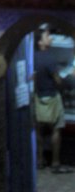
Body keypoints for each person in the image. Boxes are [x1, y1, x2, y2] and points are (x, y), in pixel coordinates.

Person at [33, 25, 73, 174]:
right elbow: (57, 80)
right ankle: (55, 162)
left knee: (38, 130)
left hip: (38, 97)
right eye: (47, 36)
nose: (50, 38)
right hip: (52, 97)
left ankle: (40, 160)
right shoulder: (50, 58)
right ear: (40, 42)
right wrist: (66, 78)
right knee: (56, 129)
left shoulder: (33, 57)